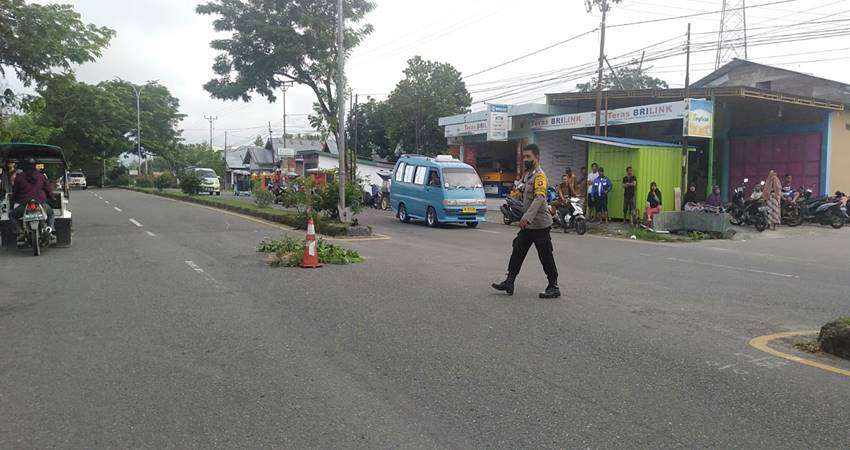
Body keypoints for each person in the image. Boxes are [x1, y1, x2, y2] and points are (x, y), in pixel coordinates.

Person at [492, 144, 560, 299]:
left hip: (540, 225)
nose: (525, 159)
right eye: (524, 157)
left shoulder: (540, 176)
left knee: (545, 256)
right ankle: (509, 281)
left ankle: (553, 286)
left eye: (528, 156)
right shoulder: (528, 175)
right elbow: (521, 191)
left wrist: (526, 217)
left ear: (537, 157)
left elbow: (540, 198)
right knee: (517, 251)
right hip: (528, 226)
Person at [10, 158, 55, 240]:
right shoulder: (41, 176)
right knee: (51, 213)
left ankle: (20, 232)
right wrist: (51, 197)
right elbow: (48, 189)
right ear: (34, 166)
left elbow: (15, 192)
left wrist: (14, 199)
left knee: (12, 215)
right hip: (40, 203)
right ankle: (50, 230)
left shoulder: (19, 177)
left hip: (25, 204)